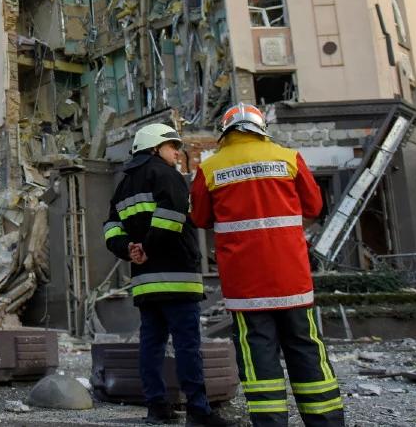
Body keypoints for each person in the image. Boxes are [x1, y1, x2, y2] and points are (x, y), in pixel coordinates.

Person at [190, 103, 345, 427]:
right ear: (261, 128)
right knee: (306, 349)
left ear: (226, 131)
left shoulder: (210, 167)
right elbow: (315, 206)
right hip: (292, 280)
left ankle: (271, 422)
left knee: (258, 358)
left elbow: (200, 217)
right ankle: (327, 422)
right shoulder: (288, 158)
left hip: (246, 287)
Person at [104, 123, 230, 426]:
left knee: (151, 345)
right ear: (154, 148)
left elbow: (110, 228)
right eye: (173, 146)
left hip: (145, 283)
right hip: (177, 277)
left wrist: (129, 249)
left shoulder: (123, 184)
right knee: (187, 345)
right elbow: (172, 217)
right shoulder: (166, 175)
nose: (178, 152)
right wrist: (146, 246)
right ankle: (199, 411)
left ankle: (156, 408)